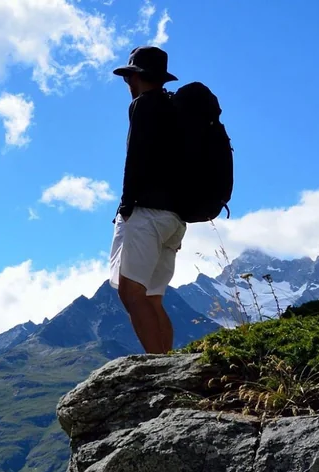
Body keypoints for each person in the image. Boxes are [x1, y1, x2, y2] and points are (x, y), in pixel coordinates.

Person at [109, 46, 185, 354]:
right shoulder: (175, 107)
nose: (127, 84)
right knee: (153, 297)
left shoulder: (143, 106)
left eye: (128, 77)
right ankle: (168, 363)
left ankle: (158, 368)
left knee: (131, 293)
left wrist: (127, 206)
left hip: (147, 214)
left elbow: (135, 158)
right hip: (176, 218)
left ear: (136, 77)